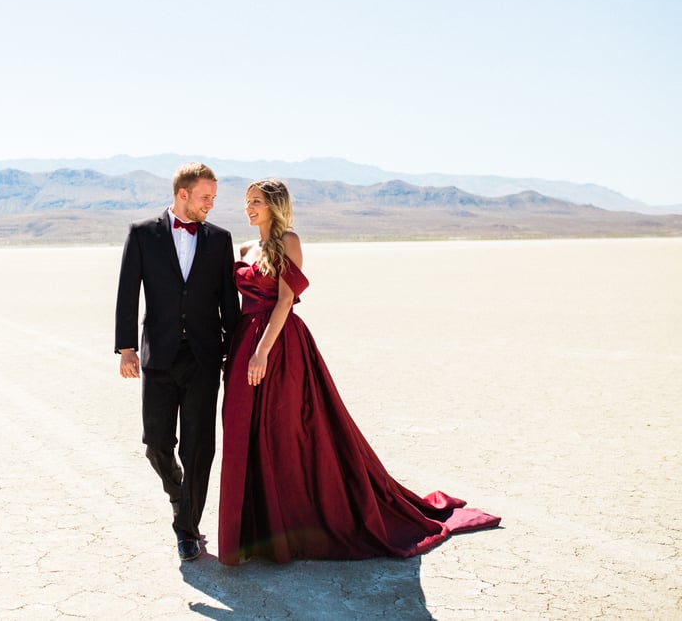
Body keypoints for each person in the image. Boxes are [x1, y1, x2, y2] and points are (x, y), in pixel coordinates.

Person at [218, 179, 500, 565]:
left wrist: (261, 352)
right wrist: (238, 350)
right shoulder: (245, 248)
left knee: (284, 433)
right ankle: (254, 531)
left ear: (275, 206)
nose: (248, 208)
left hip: (280, 347)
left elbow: (285, 300)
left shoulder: (289, 242)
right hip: (244, 343)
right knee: (244, 432)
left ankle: (289, 532)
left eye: (256, 203)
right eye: (246, 202)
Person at [115, 162, 241, 561]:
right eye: (206, 197)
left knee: (199, 447)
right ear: (182, 194)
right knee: (156, 444)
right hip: (159, 357)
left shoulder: (219, 239)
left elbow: (228, 303)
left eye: (214, 198)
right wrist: (126, 348)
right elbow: (127, 291)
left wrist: (234, 353)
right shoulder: (142, 234)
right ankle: (178, 494)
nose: (211, 205)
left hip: (204, 357)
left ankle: (186, 528)